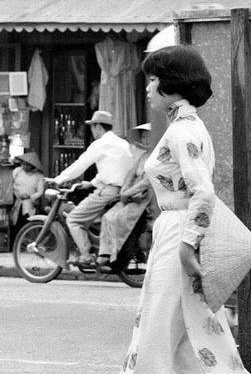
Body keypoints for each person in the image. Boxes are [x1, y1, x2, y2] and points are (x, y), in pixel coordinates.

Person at [82, 45, 251, 374]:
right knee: (193, 346)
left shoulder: (182, 132)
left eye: (154, 79)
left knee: (154, 348)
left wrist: (189, 246)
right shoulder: (183, 127)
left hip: (179, 236)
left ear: (171, 83)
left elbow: (203, 193)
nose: (149, 86)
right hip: (174, 236)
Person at [53, 110, 134, 266]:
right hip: (122, 189)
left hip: (108, 191)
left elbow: (79, 165)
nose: (92, 130)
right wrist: (91, 183)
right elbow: (113, 169)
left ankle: (86, 255)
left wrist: (58, 179)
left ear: (97, 126)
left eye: (92, 127)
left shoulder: (101, 144)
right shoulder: (122, 143)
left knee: (74, 219)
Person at [96, 122, 152, 268]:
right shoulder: (142, 156)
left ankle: (117, 256)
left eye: (148, 136)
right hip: (131, 194)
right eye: (144, 136)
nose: (145, 139)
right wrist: (124, 191)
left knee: (120, 219)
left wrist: (128, 192)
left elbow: (147, 181)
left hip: (145, 197)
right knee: (108, 216)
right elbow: (131, 175)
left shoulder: (157, 158)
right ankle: (105, 253)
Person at [10, 151, 45, 237]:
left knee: (26, 221)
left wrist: (30, 197)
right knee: (14, 222)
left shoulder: (38, 176)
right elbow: (10, 183)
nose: (24, 166)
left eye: (27, 164)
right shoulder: (17, 171)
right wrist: (16, 193)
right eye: (23, 164)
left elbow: (40, 191)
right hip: (15, 200)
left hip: (29, 203)